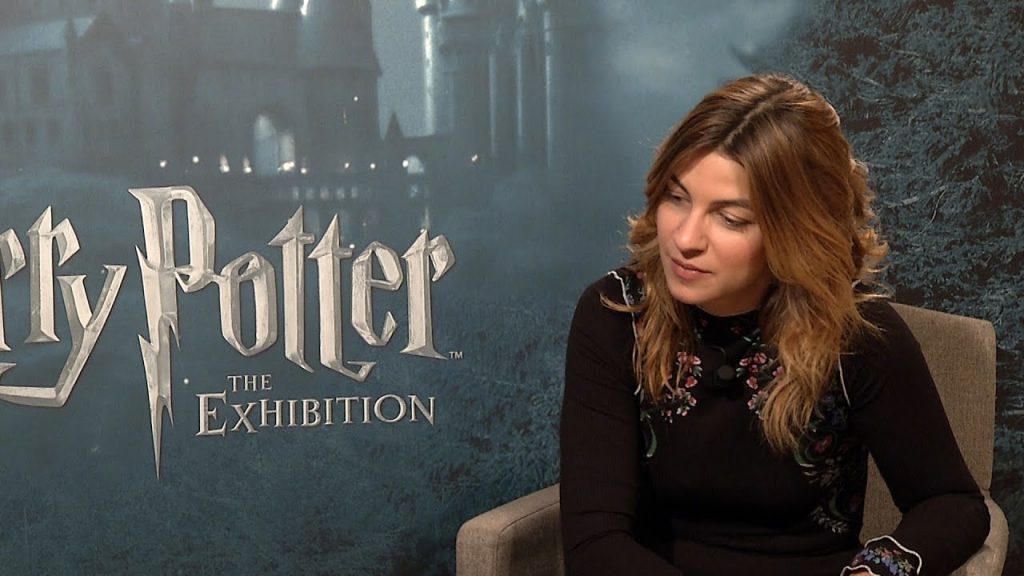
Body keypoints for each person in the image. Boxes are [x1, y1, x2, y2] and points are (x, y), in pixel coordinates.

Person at [559, 73, 990, 576]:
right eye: (677, 198)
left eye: (731, 219)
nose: (685, 238)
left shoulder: (856, 335)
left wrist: (872, 572)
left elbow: (951, 503)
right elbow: (595, 543)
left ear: (794, 228)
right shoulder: (617, 315)